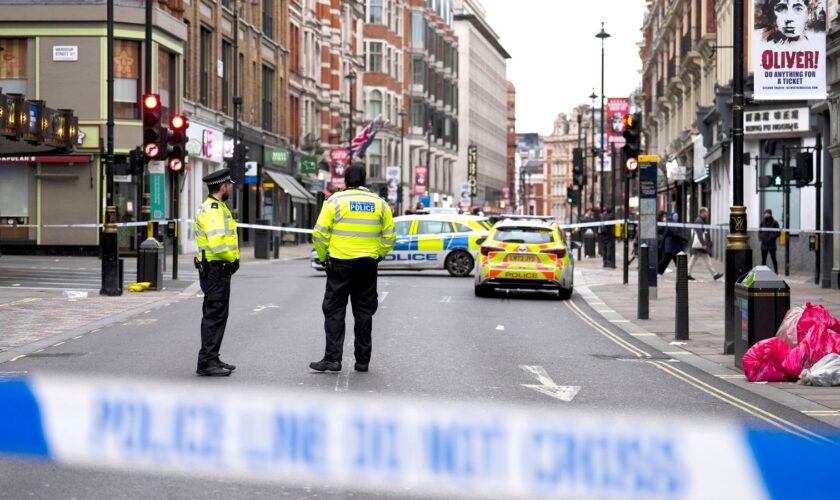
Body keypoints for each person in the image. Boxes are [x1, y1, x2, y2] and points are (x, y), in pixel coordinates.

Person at [311, 165, 396, 373]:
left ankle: (332, 359)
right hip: (367, 265)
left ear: (345, 180)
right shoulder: (380, 203)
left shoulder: (334, 201)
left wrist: (324, 258)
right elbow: (390, 236)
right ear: (365, 179)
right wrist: (378, 255)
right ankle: (362, 361)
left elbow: (319, 234)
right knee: (364, 312)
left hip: (340, 263)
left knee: (334, 310)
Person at [193, 167, 240, 377]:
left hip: (216, 268)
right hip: (216, 268)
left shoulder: (217, 207)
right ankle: (206, 362)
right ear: (222, 186)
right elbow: (217, 243)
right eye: (228, 185)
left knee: (217, 315)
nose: (229, 187)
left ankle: (212, 357)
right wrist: (232, 259)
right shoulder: (213, 210)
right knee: (214, 316)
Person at [687, 207, 723, 281]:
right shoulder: (699, 221)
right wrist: (703, 244)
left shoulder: (702, 220)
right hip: (699, 245)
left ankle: (687, 274)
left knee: (698, 259)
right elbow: (700, 233)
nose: (708, 213)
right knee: (698, 259)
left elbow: (706, 232)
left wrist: (710, 243)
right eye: (707, 212)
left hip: (700, 245)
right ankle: (714, 274)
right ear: (702, 212)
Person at [657, 211, 688, 275]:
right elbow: (675, 233)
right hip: (671, 246)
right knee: (669, 260)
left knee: (668, 260)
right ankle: (684, 274)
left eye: (677, 216)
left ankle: (683, 274)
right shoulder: (671, 223)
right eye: (675, 216)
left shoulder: (672, 223)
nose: (677, 217)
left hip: (672, 246)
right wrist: (685, 238)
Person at [760, 209, 781, 273]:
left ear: (770, 214)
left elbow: (778, 233)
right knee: (763, 260)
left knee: (774, 259)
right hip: (764, 244)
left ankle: (776, 272)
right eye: (765, 213)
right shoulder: (762, 222)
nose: (766, 215)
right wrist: (762, 237)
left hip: (771, 245)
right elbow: (760, 232)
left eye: (767, 213)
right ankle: (763, 272)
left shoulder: (775, 222)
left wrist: (772, 237)